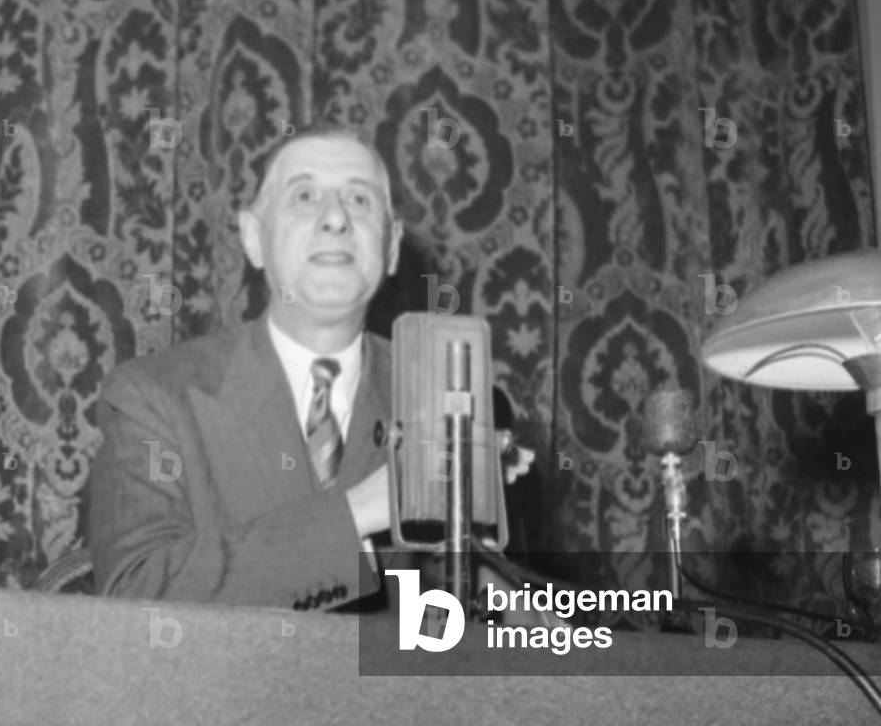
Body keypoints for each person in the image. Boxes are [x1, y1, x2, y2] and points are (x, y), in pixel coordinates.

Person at [88, 127, 559, 622]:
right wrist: (362, 510)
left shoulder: (458, 399)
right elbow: (136, 593)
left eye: (359, 199)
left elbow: (484, 620)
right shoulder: (154, 396)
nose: (335, 217)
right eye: (305, 196)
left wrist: (504, 591)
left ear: (392, 246)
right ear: (253, 237)